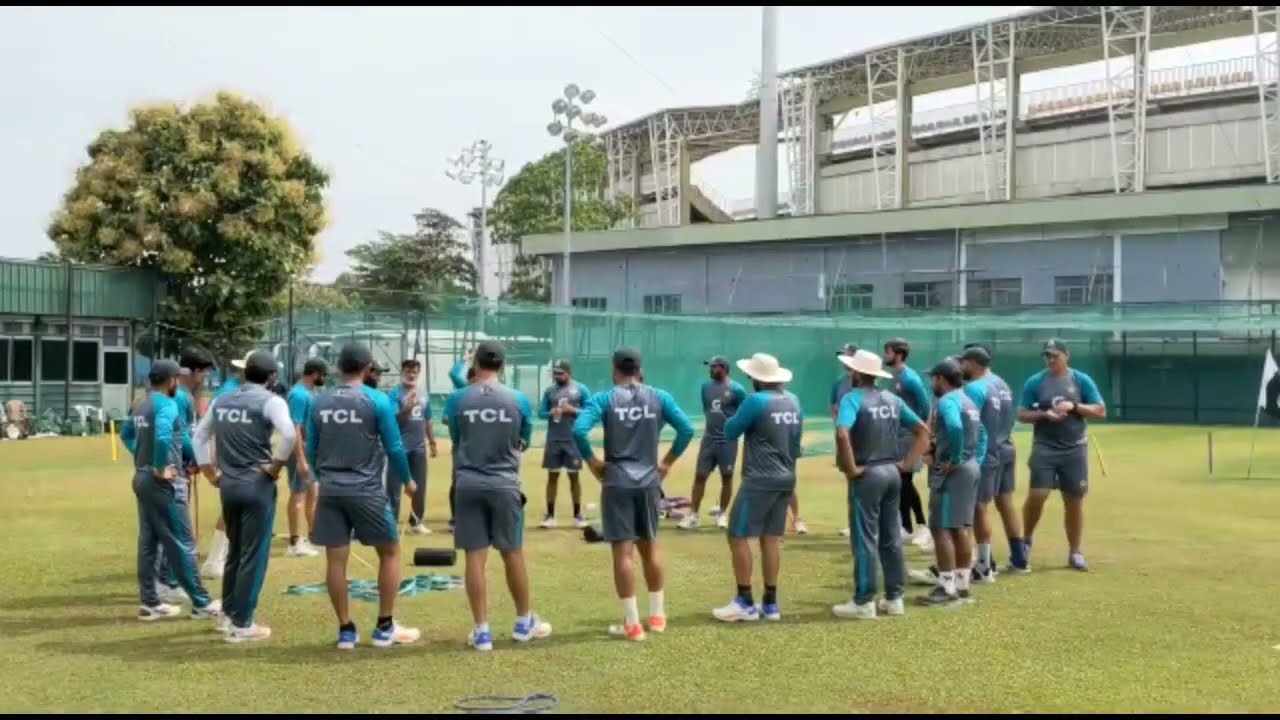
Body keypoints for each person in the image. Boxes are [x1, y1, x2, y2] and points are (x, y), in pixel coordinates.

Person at [574, 348, 694, 642]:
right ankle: (657, 616)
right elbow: (687, 429)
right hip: (649, 482)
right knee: (650, 547)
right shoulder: (659, 397)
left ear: (615, 370)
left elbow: (578, 430)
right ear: (640, 370)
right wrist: (665, 463)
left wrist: (592, 462)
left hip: (617, 481)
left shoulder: (604, 399)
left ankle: (633, 624)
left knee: (623, 552)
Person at [307, 344, 420, 649]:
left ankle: (346, 630)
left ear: (339, 368)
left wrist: (323, 478)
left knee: (336, 559)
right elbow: (395, 447)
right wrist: (408, 481)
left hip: (331, 489)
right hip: (367, 490)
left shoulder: (321, 401)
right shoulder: (377, 400)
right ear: (368, 367)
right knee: (391, 551)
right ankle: (384, 627)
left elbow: (310, 449)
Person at [444, 341, 552, 651]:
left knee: (474, 558)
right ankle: (523, 623)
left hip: (467, 483)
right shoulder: (518, 399)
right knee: (512, 553)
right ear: (503, 366)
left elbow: (455, 437)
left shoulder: (456, 399)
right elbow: (524, 440)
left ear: (475, 364)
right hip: (505, 484)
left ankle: (481, 632)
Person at [192, 350, 296, 642]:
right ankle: (242, 623)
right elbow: (289, 434)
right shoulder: (271, 400)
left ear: (244, 373)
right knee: (254, 554)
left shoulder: (222, 400)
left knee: (235, 552)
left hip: (228, 484)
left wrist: (209, 472)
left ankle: (228, 614)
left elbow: (199, 435)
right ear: (272, 377)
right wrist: (275, 467)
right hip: (256, 484)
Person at [830, 350, 930, 620]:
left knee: (865, 538)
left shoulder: (852, 398)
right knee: (891, 538)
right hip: (892, 472)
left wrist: (851, 469)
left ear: (857, 373)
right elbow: (923, 430)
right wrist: (907, 464)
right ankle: (894, 598)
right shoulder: (892, 399)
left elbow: (841, 432)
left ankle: (864, 601)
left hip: (868, 475)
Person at [122, 359, 222, 623]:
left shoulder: (142, 403)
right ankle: (202, 603)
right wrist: (159, 467)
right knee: (183, 543)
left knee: (149, 542)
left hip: (142, 479)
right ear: (171, 381)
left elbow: (126, 433)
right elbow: (165, 436)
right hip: (162, 482)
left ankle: (150, 603)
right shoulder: (166, 403)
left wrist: (144, 459)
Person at [711, 353, 803, 623]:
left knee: (737, 535)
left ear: (757, 379)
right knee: (771, 538)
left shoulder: (755, 400)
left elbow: (730, 431)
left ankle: (745, 601)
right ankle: (771, 605)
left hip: (759, 479)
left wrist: (731, 413)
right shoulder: (794, 401)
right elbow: (796, 445)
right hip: (787, 477)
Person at [1018, 339, 1107, 572]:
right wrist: (1045, 414)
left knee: (1074, 500)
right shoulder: (1035, 382)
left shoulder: (1081, 380)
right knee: (1038, 494)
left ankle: (1075, 552)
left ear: (1067, 356)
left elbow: (1100, 410)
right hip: (1044, 446)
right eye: (1047, 355)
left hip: (1074, 448)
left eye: (1055, 355)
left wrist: (1074, 407)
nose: (1050, 359)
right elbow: (1022, 414)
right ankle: (1025, 542)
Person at [917, 358, 983, 607]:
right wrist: (970, 457)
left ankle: (946, 588)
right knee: (961, 528)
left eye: (933, 378)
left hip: (953, 472)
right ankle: (963, 586)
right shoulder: (968, 401)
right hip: (971, 467)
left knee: (941, 528)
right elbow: (981, 433)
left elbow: (955, 426)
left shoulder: (947, 401)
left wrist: (955, 458)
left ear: (941, 380)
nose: (932, 382)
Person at [154, 347, 216, 605]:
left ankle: (163, 580)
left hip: (174, 466)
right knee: (176, 528)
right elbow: (181, 435)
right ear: (195, 371)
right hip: (174, 469)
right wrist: (197, 460)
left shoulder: (179, 394)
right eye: (204, 373)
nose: (204, 379)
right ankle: (167, 581)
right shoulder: (180, 397)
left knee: (167, 527)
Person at [959, 344, 1027, 578]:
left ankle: (984, 565)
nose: (960, 367)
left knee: (979, 507)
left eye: (963, 362)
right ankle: (1020, 558)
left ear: (973, 364)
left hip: (987, 453)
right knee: (1006, 502)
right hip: (1006, 447)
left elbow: (969, 422)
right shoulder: (1002, 384)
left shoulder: (975, 388)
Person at [678, 356, 746, 531]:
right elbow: (708, 410)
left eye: (713, 367)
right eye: (710, 366)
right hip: (708, 440)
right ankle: (693, 515)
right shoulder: (705, 387)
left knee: (727, 477)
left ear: (723, 368)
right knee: (700, 475)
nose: (710, 369)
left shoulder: (737, 389)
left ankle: (723, 514)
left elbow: (743, 413)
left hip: (727, 441)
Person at [201, 350, 252, 579]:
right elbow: (210, 428)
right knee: (230, 509)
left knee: (237, 509)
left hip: (237, 455)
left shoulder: (241, 389)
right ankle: (213, 561)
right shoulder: (228, 392)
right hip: (228, 456)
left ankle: (225, 556)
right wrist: (212, 459)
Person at [883, 338, 934, 551]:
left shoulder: (910, 378)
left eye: (888, 352)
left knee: (904, 480)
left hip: (907, 437)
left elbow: (925, 407)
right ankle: (910, 525)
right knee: (902, 482)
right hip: (896, 437)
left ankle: (915, 525)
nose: (885, 356)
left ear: (899, 355)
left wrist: (918, 434)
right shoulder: (892, 377)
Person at [387, 358, 439, 535]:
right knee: (393, 486)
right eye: (408, 371)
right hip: (399, 446)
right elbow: (391, 419)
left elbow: (428, 419)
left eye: (415, 372)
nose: (411, 374)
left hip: (418, 446)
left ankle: (416, 521)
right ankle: (391, 522)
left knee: (419, 485)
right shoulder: (394, 394)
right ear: (402, 372)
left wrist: (431, 441)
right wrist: (406, 408)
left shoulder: (423, 393)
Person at [537, 360, 590, 529]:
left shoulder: (580, 389)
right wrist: (549, 413)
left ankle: (577, 515)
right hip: (554, 439)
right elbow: (540, 413)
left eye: (560, 373)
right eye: (555, 373)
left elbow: (590, 411)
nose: (557, 376)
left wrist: (573, 411)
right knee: (552, 477)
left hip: (572, 439)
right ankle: (550, 515)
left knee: (574, 477)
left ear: (569, 373)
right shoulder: (549, 391)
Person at [284, 358, 327, 557]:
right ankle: (294, 542)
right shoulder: (299, 395)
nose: (324, 379)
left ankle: (313, 536)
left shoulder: (310, 393)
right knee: (298, 495)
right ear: (315, 374)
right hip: (299, 451)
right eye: (323, 375)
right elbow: (295, 428)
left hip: (311, 452)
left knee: (314, 493)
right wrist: (300, 458)